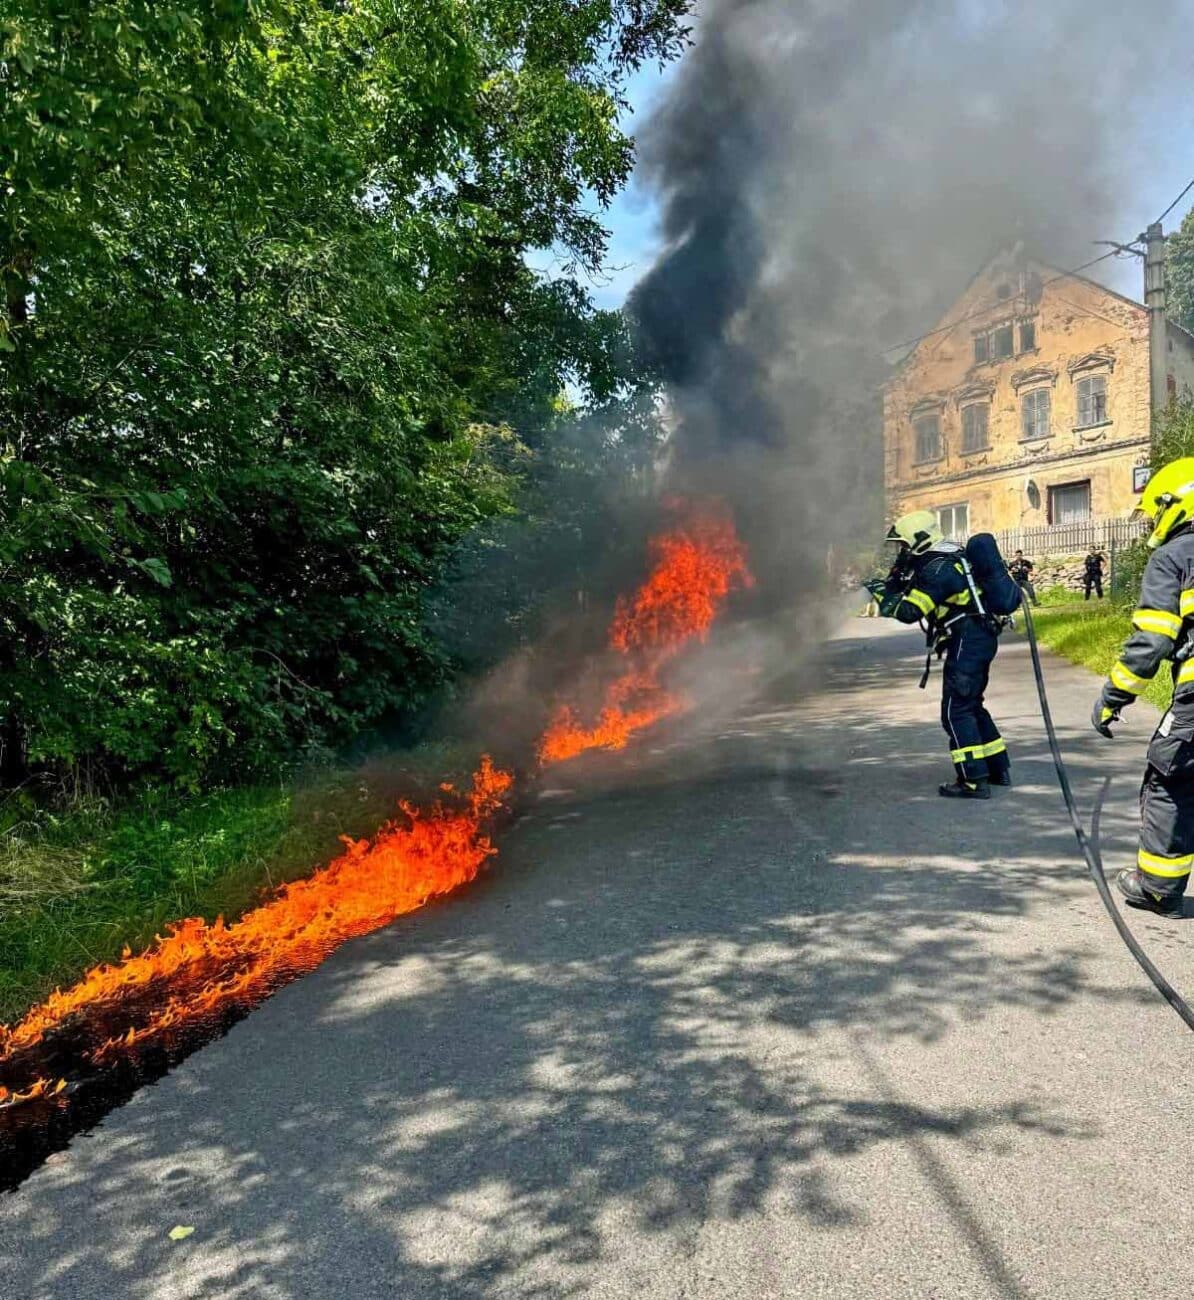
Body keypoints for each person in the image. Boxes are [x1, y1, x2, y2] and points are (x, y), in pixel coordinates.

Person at [1092, 459, 1194, 918]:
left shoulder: (1175, 554)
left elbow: (1151, 642)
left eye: (1157, 509)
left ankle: (1156, 887)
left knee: (1170, 778)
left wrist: (1112, 697)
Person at [872, 510, 1010, 799]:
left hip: (967, 641)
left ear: (919, 541)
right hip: (980, 637)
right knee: (972, 705)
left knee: (955, 711)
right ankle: (998, 768)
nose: (902, 552)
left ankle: (973, 781)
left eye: (904, 546)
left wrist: (881, 596)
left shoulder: (937, 570)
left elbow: (911, 612)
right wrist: (896, 579)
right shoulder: (950, 558)